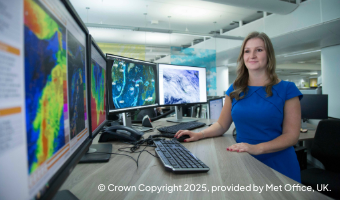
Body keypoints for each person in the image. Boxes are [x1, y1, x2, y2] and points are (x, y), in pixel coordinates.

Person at [174, 31, 302, 183]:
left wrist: (256, 148)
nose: (252, 55)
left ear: (269, 55)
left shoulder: (287, 89)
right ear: (243, 56)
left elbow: (291, 136)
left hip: (278, 163)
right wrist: (199, 134)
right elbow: (222, 125)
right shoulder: (235, 89)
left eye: (259, 50)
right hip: (244, 160)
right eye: (247, 51)